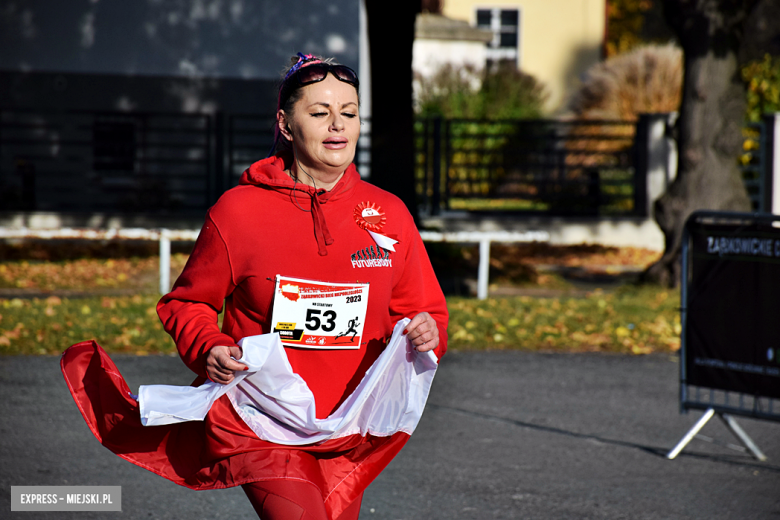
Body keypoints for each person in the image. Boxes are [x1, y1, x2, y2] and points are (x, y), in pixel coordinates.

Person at [61, 53, 448, 520]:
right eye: (320, 112)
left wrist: (427, 333)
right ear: (285, 124)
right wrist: (210, 346)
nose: (337, 125)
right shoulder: (238, 211)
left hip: (348, 425)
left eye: (348, 112)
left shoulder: (390, 214)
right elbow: (188, 304)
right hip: (257, 419)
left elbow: (426, 312)